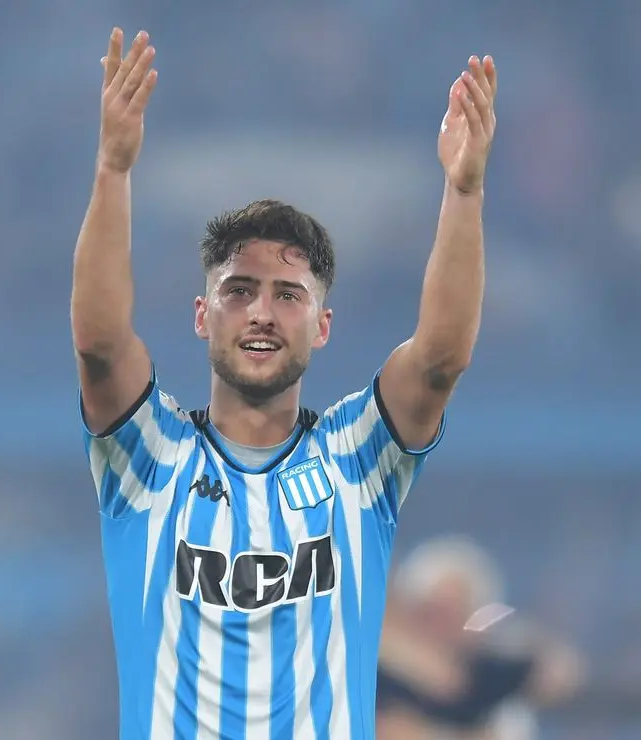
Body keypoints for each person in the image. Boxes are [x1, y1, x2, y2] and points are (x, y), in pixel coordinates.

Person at [72, 26, 497, 740]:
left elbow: (440, 359)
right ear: (203, 316)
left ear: (322, 325)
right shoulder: (150, 456)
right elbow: (101, 344)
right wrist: (113, 168)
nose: (262, 313)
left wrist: (464, 189)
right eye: (239, 291)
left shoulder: (357, 457)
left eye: (288, 295)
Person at [376, 537, 585, 740]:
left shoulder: (498, 690)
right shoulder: (377, 673)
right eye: (431, 612)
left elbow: (560, 673)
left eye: (453, 614)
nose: (440, 626)